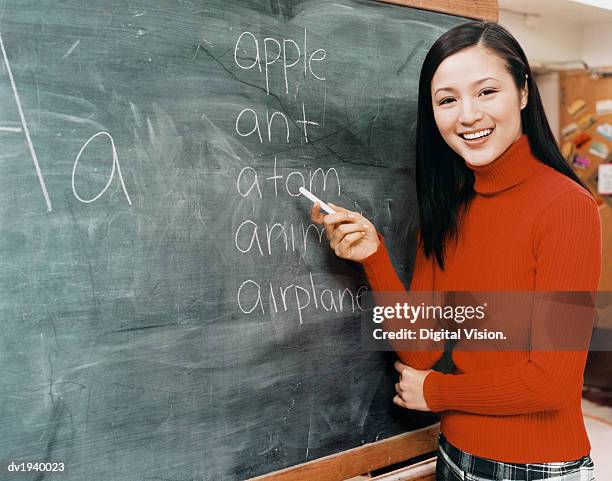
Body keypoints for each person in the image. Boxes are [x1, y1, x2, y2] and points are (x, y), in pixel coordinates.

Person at [310, 22, 600, 481]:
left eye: (486, 92)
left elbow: (552, 382)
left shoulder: (568, 209)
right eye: (447, 99)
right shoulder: (448, 209)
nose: (467, 115)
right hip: (453, 457)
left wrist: (438, 392)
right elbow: (422, 351)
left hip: (536, 469)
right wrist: (373, 256)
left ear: (523, 92)